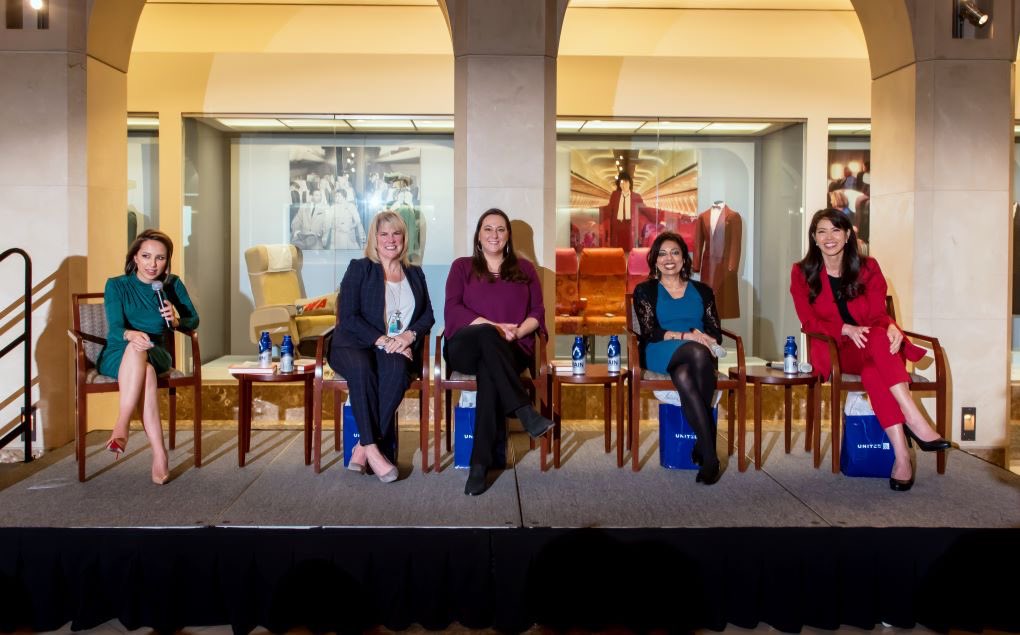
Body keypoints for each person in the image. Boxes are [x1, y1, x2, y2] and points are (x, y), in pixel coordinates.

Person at [790, 208, 950, 492]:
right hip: (835, 351)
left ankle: (901, 457)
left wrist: (890, 327)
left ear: (848, 234)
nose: (829, 237)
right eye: (822, 231)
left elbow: (877, 314)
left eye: (836, 230)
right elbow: (808, 321)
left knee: (875, 368)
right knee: (876, 343)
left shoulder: (868, 267)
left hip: (872, 349)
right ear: (814, 238)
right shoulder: (801, 272)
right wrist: (845, 329)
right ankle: (914, 418)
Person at [444, 208, 555, 495]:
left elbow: (538, 312)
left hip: (510, 348)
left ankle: (478, 466)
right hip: (464, 346)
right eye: (488, 229)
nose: (494, 234)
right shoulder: (461, 267)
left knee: (489, 370)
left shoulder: (525, 270)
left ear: (508, 237)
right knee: (485, 335)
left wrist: (516, 332)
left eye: (501, 229)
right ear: (478, 236)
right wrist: (494, 326)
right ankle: (524, 410)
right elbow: (453, 309)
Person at [328, 211, 434, 482]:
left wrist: (408, 337)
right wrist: (385, 340)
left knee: (399, 371)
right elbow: (349, 317)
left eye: (396, 233)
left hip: (394, 347)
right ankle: (373, 450)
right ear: (374, 239)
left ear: (404, 238)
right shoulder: (360, 268)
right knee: (362, 370)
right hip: (352, 344)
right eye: (384, 234)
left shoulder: (415, 273)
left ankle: (361, 447)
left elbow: (427, 315)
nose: (390, 239)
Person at [96, 229, 199, 485]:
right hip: (118, 352)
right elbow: (116, 328)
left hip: (156, 351)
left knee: (145, 356)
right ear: (135, 258)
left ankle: (122, 424)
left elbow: (193, 319)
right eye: (146, 256)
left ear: (167, 260)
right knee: (146, 371)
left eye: (160, 258)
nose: (153, 264)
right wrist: (131, 334)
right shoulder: (116, 285)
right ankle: (159, 454)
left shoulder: (171, 284)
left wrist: (175, 320)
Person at [632, 232, 724, 485]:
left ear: (684, 259)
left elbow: (715, 331)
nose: (668, 259)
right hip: (659, 349)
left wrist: (704, 338)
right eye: (662, 254)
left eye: (674, 252)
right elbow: (649, 332)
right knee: (696, 351)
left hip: (698, 356)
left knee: (684, 373)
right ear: (654, 260)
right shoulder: (645, 290)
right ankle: (710, 453)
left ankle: (704, 447)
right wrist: (686, 336)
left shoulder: (703, 291)